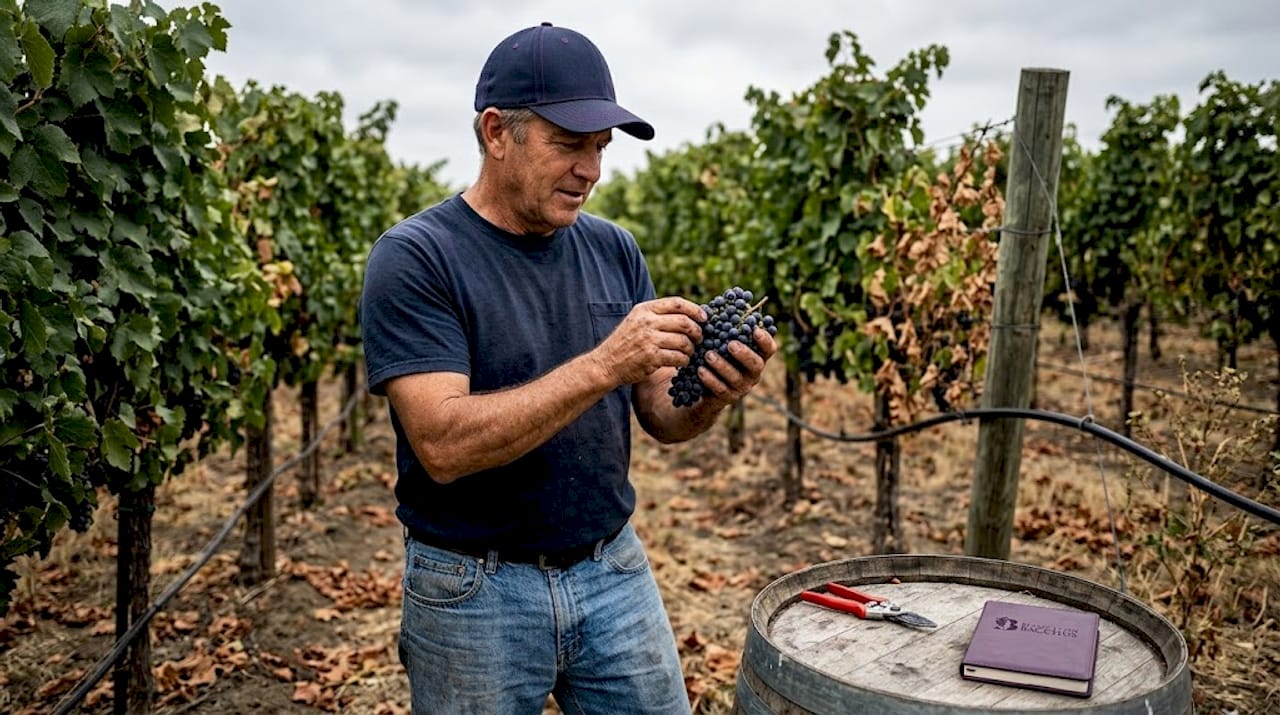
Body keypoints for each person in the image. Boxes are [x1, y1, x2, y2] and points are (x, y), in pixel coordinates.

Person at [360, 22, 777, 715]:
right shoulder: (416, 258)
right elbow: (442, 444)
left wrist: (713, 395)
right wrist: (606, 362)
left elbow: (660, 418)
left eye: (601, 148)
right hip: (471, 591)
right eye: (569, 144)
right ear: (497, 133)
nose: (592, 170)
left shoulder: (614, 248)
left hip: (612, 569)